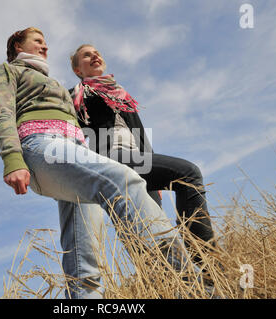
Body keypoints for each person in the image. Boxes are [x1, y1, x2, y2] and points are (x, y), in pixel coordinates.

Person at [0, 28, 201, 299]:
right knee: (124, 180)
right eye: (38, 41)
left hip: (75, 149)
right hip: (43, 144)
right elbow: (2, 113)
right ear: (18, 45)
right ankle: (190, 287)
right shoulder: (8, 72)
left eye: (45, 42)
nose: (45, 46)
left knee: (84, 256)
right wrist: (12, 159)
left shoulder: (55, 84)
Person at [69, 44, 216, 271]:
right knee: (188, 174)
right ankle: (209, 264)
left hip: (138, 160)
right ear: (78, 70)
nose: (94, 55)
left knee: (150, 228)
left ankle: (172, 285)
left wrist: (153, 175)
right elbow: (66, 127)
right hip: (110, 158)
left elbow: (140, 138)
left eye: (96, 52)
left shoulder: (120, 93)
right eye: (86, 55)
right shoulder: (77, 96)